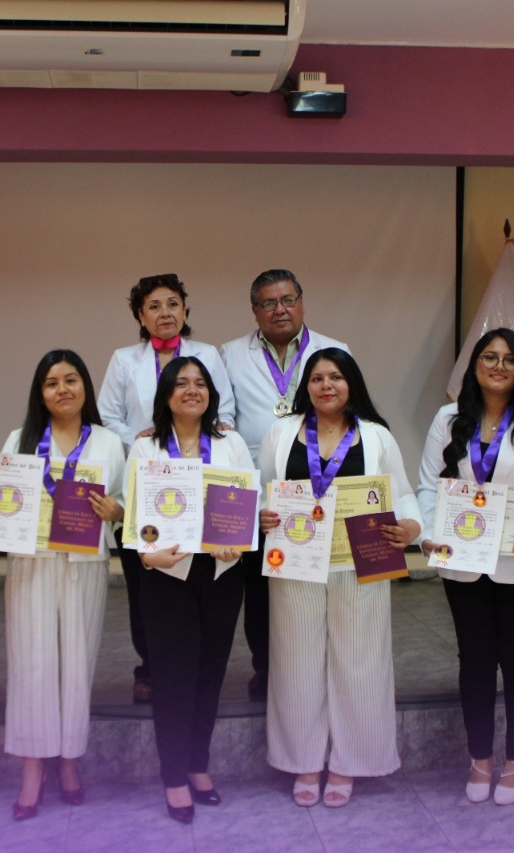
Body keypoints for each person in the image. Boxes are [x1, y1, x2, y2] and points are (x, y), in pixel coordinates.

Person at [0, 350, 125, 821]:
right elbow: (0, 505)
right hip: (31, 563)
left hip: (85, 563)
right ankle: (32, 768)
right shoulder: (22, 439)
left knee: (77, 662)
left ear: (85, 387)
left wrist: (117, 510)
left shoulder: (110, 443)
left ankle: (69, 761)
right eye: (52, 383)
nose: (62, 389)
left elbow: (128, 503)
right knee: (32, 664)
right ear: (40, 394)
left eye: (71, 380)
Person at [258, 347, 421, 808]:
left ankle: (352, 761)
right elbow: (263, 490)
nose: (326, 385)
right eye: (316, 378)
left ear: (351, 384)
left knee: (360, 659)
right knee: (296, 659)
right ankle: (304, 761)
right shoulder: (281, 433)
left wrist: (409, 527)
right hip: (294, 562)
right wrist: (262, 515)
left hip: (361, 562)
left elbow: (404, 495)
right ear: (305, 387)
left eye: (335, 377)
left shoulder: (375, 436)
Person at [416, 328, 514, 806]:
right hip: (463, 563)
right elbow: (427, 487)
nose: (498, 366)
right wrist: (427, 533)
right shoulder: (448, 419)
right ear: (474, 366)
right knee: (475, 661)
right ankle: (480, 757)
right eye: (489, 357)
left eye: (508, 359)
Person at [124, 356, 253, 824]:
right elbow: (138, 519)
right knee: (174, 681)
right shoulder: (146, 448)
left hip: (221, 576)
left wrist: (237, 543)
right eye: (181, 384)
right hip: (167, 576)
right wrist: (146, 555)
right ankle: (174, 776)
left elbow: (244, 502)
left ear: (210, 393)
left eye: (200, 383)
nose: (192, 390)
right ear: (166, 394)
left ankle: (199, 766)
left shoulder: (230, 443)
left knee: (210, 675)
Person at [98, 274, 236, 704]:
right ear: (141, 315)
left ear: (185, 310)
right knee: (149, 584)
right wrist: (149, 438)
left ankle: (195, 666)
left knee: (203, 583)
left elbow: (225, 409)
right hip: (149, 484)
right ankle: (151, 667)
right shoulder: (124, 359)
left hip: (203, 481)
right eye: (154, 306)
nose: (165, 313)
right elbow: (107, 417)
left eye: (173, 304)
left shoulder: (207, 354)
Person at [219, 269, 350, 701]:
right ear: (255, 310)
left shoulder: (335, 350)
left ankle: (323, 667)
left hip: (323, 486)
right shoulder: (229, 354)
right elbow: (225, 420)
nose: (281, 309)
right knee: (262, 587)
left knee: (320, 582)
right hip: (262, 489)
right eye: (269, 303)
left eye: (288, 299)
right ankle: (268, 668)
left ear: (302, 302)